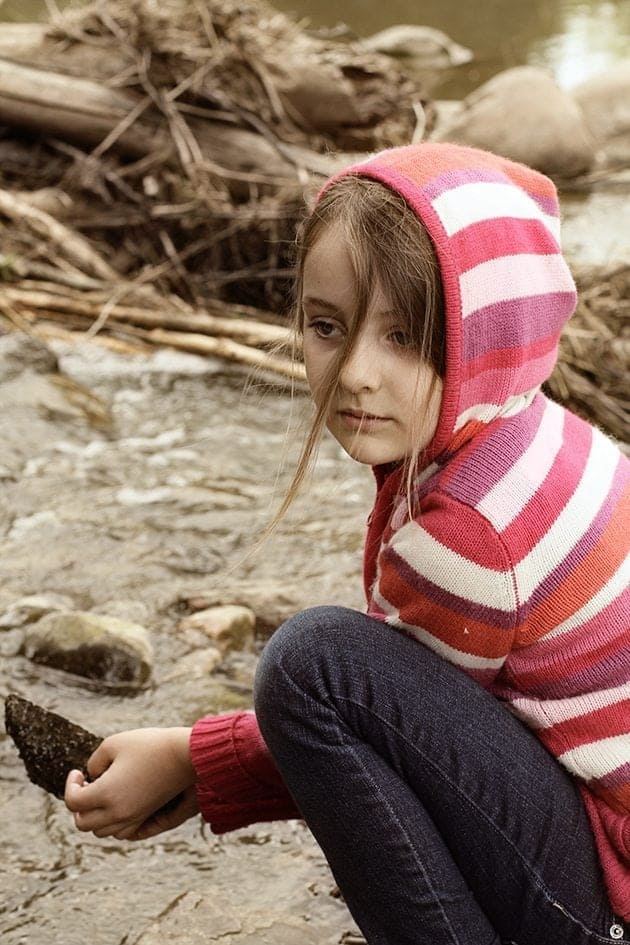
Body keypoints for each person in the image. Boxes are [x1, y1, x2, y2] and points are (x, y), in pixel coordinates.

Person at [64, 142, 629, 945]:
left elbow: (371, 725)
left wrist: (195, 760)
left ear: (486, 338)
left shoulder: (472, 532)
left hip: (610, 902)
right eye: (328, 326)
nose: (357, 371)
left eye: (405, 335)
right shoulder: (533, 433)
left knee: (314, 663)